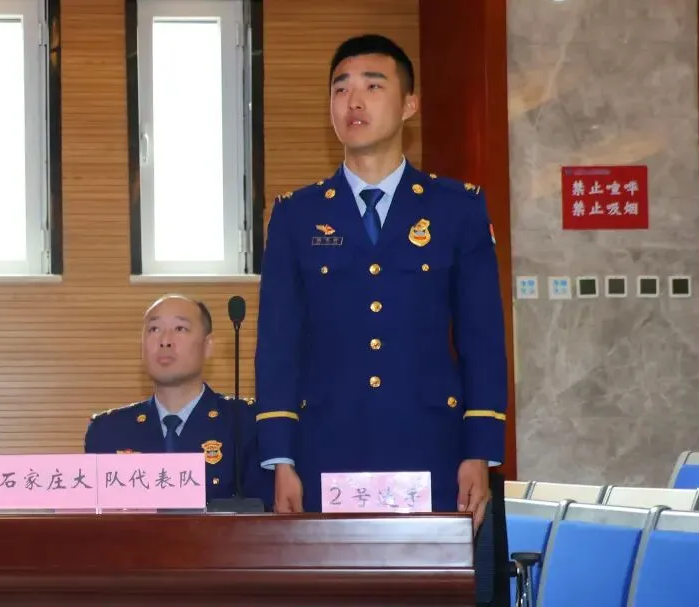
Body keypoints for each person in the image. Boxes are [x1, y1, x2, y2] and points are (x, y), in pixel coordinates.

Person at [254, 33, 507, 524]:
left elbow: (482, 339)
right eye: (340, 88)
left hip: (432, 450)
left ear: (409, 104)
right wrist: (281, 459)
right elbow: (278, 346)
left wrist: (479, 450)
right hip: (324, 451)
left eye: (372, 86)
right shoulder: (296, 215)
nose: (353, 100)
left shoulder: (458, 209)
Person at [85, 295, 272, 508]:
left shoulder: (246, 422)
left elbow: (266, 515)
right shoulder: (107, 431)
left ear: (208, 346)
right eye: (154, 329)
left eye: (180, 329)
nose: (165, 341)